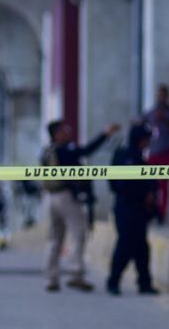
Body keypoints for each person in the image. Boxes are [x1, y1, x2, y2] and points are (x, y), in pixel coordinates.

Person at [40, 119, 121, 292]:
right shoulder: (65, 150)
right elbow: (87, 150)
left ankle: (51, 278)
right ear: (56, 134)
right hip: (66, 197)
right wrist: (105, 134)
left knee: (54, 239)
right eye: (63, 130)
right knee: (78, 234)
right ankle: (75, 273)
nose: (67, 132)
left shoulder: (47, 151)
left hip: (50, 198)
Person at [106, 124, 159, 295]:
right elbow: (120, 184)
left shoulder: (139, 156)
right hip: (127, 207)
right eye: (146, 138)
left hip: (138, 208)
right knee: (126, 245)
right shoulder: (126, 156)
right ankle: (113, 281)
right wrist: (144, 193)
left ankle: (144, 283)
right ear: (141, 140)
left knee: (141, 247)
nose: (149, 141)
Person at [143, 84, 169, 223]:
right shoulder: (150, 112)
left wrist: (165, 119)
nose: (160, 98)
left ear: (167, 97)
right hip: (152, 153)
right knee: (149, 184)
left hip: (166, 152)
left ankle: (162, 214)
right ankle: (150, 212)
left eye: (163, 95)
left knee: (163, 184)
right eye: (158, 95)